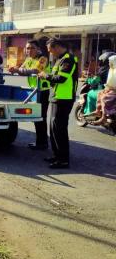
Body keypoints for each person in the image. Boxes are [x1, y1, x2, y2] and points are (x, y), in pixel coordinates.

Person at [39, 38, 78, 169]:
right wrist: (48, 77)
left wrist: (45, 76)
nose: (51, 53)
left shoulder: (69, 60)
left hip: (64, 99)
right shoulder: (59, 59)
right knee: (53, 128)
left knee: (60, 129)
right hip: (56, 97)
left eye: (51, 50)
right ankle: (57, 155)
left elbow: (61, 79)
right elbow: (54, 78)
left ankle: (63, 160)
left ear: (57, 47)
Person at [9, 40, 50, 150]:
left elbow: (36, 71)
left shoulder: (43, 58)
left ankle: (43, 143)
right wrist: (15, 70)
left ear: (38, 49)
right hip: (34, 91)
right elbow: (22, 70)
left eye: (32, 48)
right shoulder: (29, 59)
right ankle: (39, 142)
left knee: (41, 118)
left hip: (43, 91)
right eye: (27, 48)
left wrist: (19, 69)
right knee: (36, 117)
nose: (29, 50)